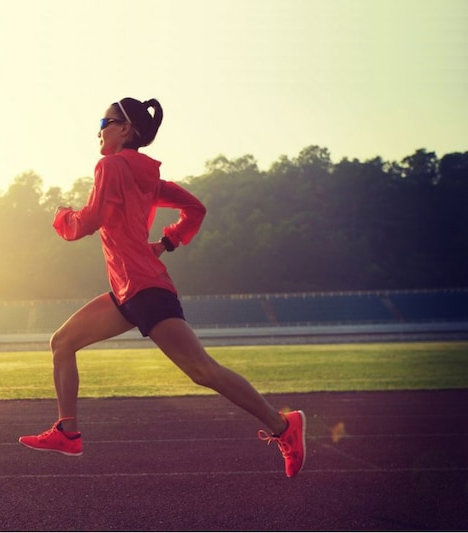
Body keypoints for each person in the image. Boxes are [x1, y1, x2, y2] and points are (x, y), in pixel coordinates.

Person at [18, 97, 306, 478]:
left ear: (125, 129)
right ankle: (68, 432)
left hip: (145, 289)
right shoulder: (147, 177)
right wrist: (166, 243)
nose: (98, 130)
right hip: (128, 291)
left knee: (203, 371)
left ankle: (285, 427)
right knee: (62, 343)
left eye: (104, 122)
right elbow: (196, 209)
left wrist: (61, 217)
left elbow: (87, 222)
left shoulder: (111, 165)